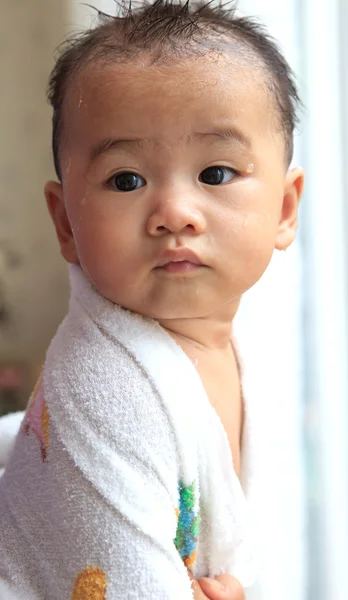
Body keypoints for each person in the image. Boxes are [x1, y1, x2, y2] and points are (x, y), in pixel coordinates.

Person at [0, 1, 305, 598]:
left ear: (285, 211)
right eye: (127, 180)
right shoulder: (105, 389)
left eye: (216, 174)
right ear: (65, 224)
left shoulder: (248, 347)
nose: (175, 215)